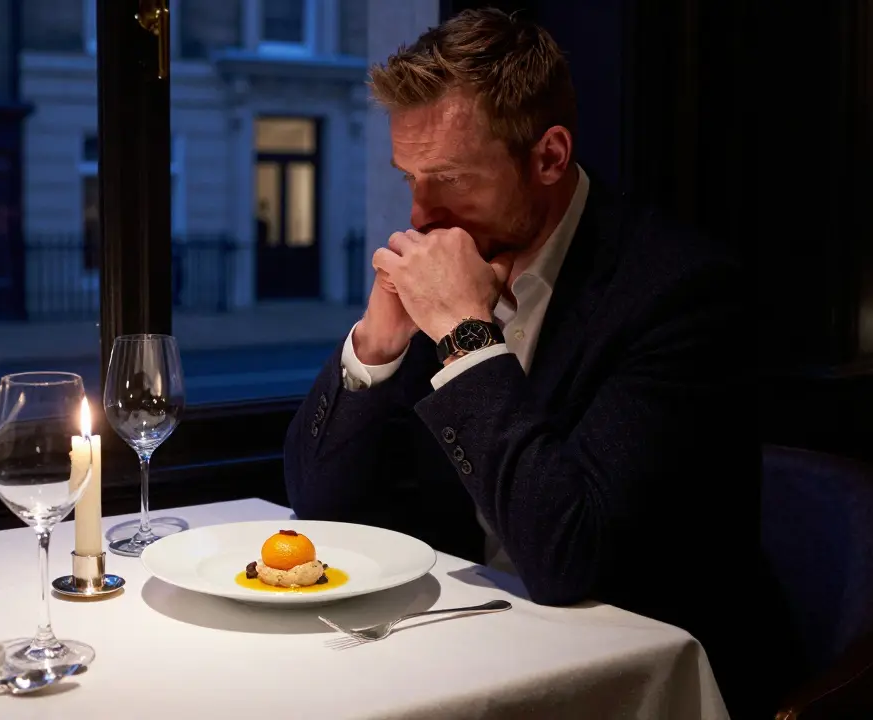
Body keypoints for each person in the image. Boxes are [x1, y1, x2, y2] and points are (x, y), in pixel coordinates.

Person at [284, 9, 783, 716]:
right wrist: (379, 344)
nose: (423, 215)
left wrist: (463, 333)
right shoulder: (460, 253)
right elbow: (320, 507)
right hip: (470, 651)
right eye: (410, 179)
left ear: (548, 157)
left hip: (633, 676)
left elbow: (565, 557)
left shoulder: (679, 293)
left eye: (450, 178)